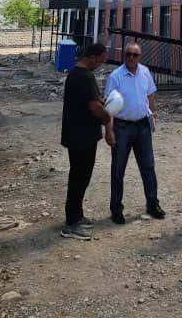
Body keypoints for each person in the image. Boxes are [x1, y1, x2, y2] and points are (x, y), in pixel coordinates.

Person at [104, 40, 165, 223]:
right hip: (122, 127)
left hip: (143, 126)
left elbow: (150, 94)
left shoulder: (145, 72)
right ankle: (116, 209)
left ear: (140, 56)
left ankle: (152, 204)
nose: (131, 57)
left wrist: (153, 112)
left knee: (148, 167)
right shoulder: (116, 76)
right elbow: (107, 105)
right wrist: (109, 131)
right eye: (128, 54)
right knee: (118, 169)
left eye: (135, 55)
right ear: (124, 56)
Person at [60, 41, 111, 240]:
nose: (100, 64)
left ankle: (77, 214)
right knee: (80, 177)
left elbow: (90, 101)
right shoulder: (85, 76)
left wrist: (99, 102)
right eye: (100, 60)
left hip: (76, 134)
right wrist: (106, 117)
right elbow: (94, 107)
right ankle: (71, 223)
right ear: (92, 57)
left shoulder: (75, 74)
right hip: (82, 136)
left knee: (80, 176)